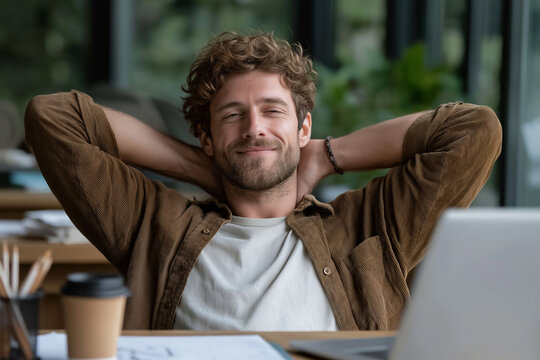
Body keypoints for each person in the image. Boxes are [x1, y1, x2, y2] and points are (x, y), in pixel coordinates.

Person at [24, 32, 502, 331]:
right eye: (232, 116)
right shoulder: (153, 222)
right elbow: (53, 118)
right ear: (206, 137)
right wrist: (201, 167)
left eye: (273, 111)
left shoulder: (369, 226)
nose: (254, 128)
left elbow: (476, 130)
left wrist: (328, 157)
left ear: (304, 127)